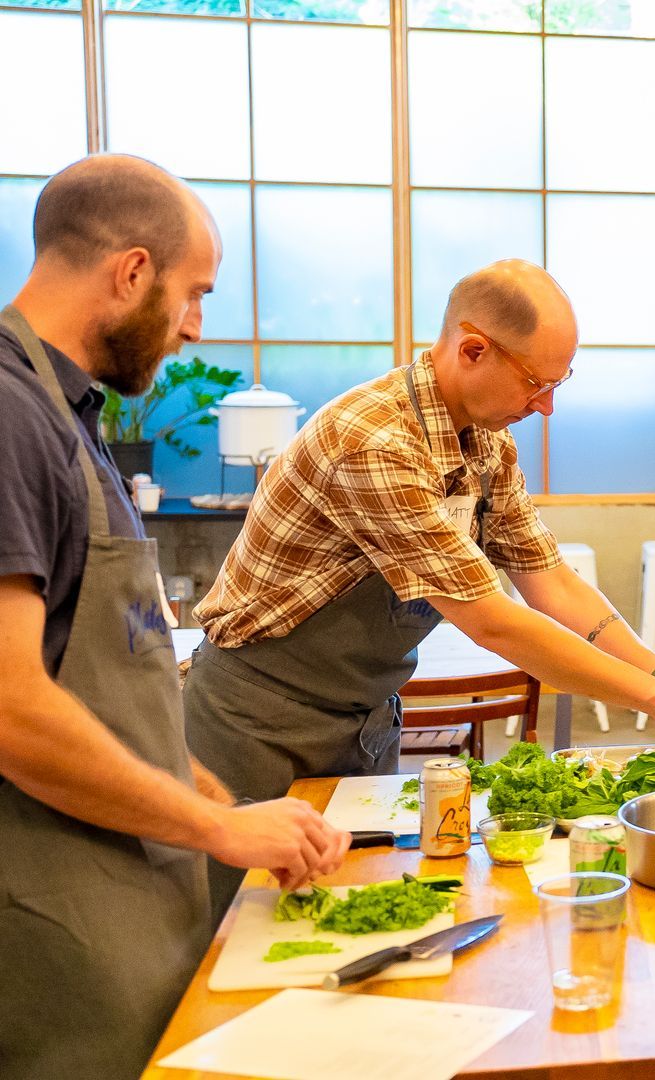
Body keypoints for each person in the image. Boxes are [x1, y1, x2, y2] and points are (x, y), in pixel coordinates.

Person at [185, 260, 655, 904]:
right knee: (245, 924)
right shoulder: (373, 440)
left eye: (560, 384)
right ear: (473, 348)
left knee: (349, 907)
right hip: (257, 723)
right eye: (537, 384)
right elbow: (493, 620)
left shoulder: (486, 445)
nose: (547, 407)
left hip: (362, 721)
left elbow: (551, 582)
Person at [0, 155, 350, 1080]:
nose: (196, 326)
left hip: (129, 901)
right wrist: (220, 833)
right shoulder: (8, 416)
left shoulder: (67, 413)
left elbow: (99, 669)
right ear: (131, 273)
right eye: (194, 293)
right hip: (54, 926)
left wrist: (213, 795)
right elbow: (10, 708)